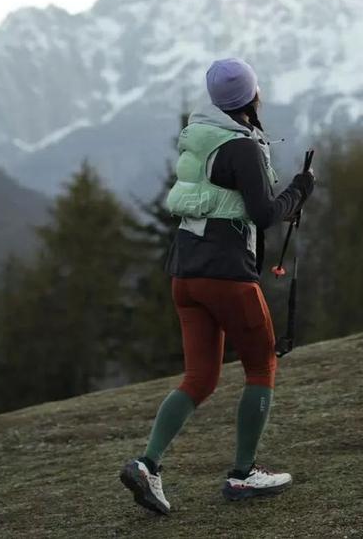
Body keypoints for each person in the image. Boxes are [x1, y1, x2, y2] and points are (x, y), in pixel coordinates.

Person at [119, 57, 315, 515]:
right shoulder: (242, 148)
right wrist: (302, 189)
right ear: (252, 96)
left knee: (200, 377)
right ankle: (243, 475)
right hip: (227, 273)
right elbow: (265, 214)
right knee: (262, 364)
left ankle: (148, 465)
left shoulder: (198, 138)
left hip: (184, 274)